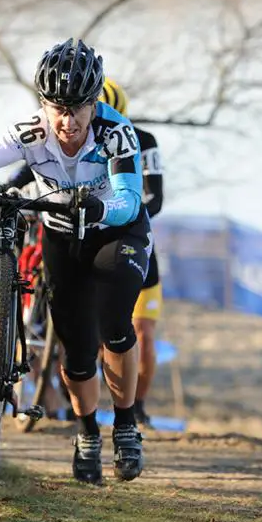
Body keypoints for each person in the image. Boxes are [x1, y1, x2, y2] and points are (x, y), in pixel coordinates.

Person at [0, 37, 151, 485]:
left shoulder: (117, 132)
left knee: (114, 324)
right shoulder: (31, 131)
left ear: (95, 104)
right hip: (61, 234)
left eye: (78, 108)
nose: (68, 120)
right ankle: (88, 431)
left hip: (117, 230)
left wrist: (101, 208)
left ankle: (127, 424)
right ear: (44, 104)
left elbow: (131, 199)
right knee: (75, 353)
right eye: (58, 108)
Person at [97, 77, 165, 427]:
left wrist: (124, 217)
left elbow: (156, 197)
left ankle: (136, 406)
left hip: (135, 242)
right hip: (93, 240)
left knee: (142, 332)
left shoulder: (144, 141)